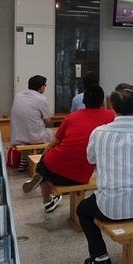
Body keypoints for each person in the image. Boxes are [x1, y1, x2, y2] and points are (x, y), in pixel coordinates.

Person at [77, 88, 133, 264]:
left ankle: (100, 258)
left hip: (109, 207)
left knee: (82, 210)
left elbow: (90, 159)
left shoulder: (99, 132)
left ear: (112, 106)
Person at [25, 85, 111, 213]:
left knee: (44, 163)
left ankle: (47, 199)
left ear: (83, 101)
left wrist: (45, 151)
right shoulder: (110, 116)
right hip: (81, 174)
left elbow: (53, 143)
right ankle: (44, 177)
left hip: (54, 167)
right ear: (102, 102)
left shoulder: (71, 117)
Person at [11, 75, 56, 171]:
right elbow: (48, 120)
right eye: (45, 85)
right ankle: (42, 161)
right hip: (34, 137)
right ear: (41, 87)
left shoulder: (19, 96)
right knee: (55, 134)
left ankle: (24, 160)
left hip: (17, 136)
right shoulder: (41, 99)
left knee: (27, 130)